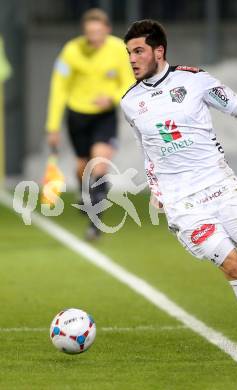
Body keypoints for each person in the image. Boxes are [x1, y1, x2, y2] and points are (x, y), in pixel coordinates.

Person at [120, 19, 237, 358]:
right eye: (129, 52)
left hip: (219, 185)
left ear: (159, 52)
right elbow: (147, 149)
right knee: (233, 266)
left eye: (138, 51)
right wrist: (156, 189)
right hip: (182, 202)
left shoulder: (195, 80)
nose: (132, 59)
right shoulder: (130, 102)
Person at [45, 8, 135, 240]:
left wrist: (112, 99)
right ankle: (85, 193)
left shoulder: (118, 50)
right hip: (77, 116)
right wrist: (52, 126)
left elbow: (128, 82)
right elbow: (59, 88)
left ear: (107, 29)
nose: (94, 37)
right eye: (89, 33)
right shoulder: (72, 51)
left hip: (104, 116)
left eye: (98, 32)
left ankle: (96, 223)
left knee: (99, 165)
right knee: (82, 167)